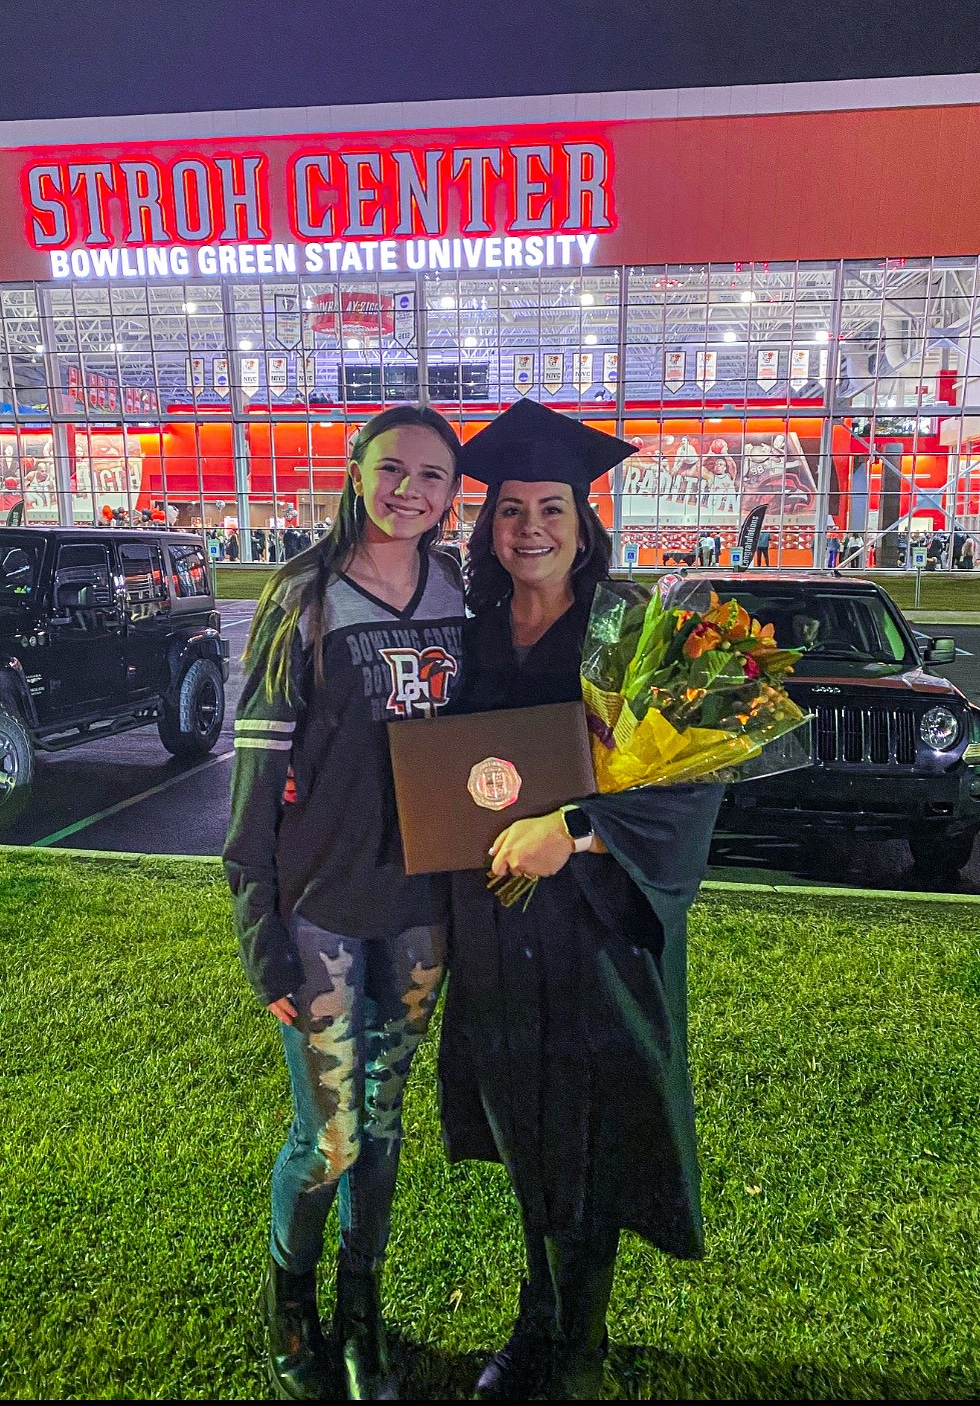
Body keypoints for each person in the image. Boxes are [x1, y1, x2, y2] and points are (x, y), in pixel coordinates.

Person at [440, 399, 724, 1400]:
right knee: (524, 1124)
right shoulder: (468, 632)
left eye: (550, 507)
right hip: (493, 919)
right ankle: (538, 1317)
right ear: (489, 523)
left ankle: (576, 1346)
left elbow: (693, 776)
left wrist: (576, 828)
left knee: (589, 1131)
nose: (530, 527)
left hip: (596, 925)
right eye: (510, 508)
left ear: (583, 518)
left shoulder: (630, 628)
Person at [223, 405, 466, 1401]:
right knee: (328, 1135)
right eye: (392, 467)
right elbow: (254, 778)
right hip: (321, 906)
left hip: (421, 909)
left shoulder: (460, 592)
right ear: (356, 472)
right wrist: (260, 930)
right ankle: (292, 1307)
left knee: (385, 1121)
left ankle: (361, 1311)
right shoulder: (305, 594)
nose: (410, 489)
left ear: (452, 495)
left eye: (433, 475)